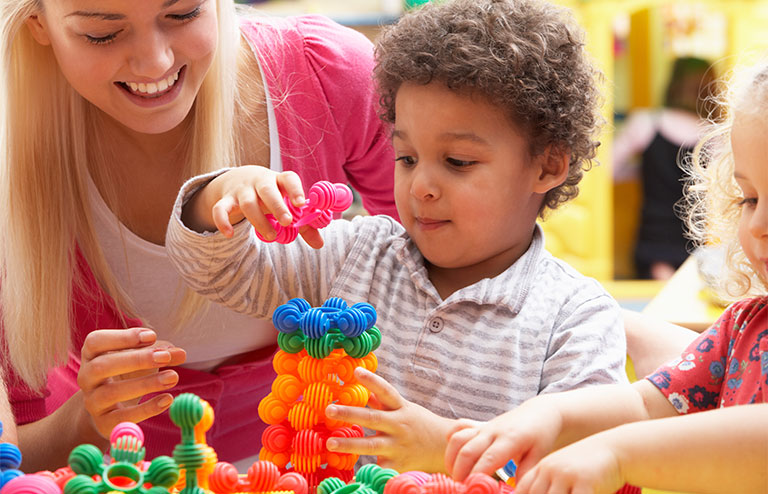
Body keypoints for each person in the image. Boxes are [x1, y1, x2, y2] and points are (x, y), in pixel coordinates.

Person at [165, 0, 628, 473]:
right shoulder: (357, 255)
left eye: (458, 162)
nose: (420, 186)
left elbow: (588, 465)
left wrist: (447, 448)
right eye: (406, 158)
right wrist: (220, 196)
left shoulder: (575, 316)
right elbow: (221, 274)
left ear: (547, 166)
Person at [0, 0, 398, 470]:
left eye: (184, 13)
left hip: (332, 455)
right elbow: (17, 457)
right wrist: (83, 421)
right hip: (116, 471)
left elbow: (459, 260)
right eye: (102, 34)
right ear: (38, 25)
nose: (156, 63)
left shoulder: (327, 75)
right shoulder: (14, 153)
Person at [444, 60, 768, 494]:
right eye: (749, 198)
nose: (757, 223)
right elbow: (645, 404)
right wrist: (552, 415)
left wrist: (617, 454)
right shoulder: (745, 328)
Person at [613, 57, 720, 280]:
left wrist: (645, 170)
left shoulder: (647, 123)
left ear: (673, 84)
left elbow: (606, 169)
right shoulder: (714, 135)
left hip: (653, 240)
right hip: (697, 240)